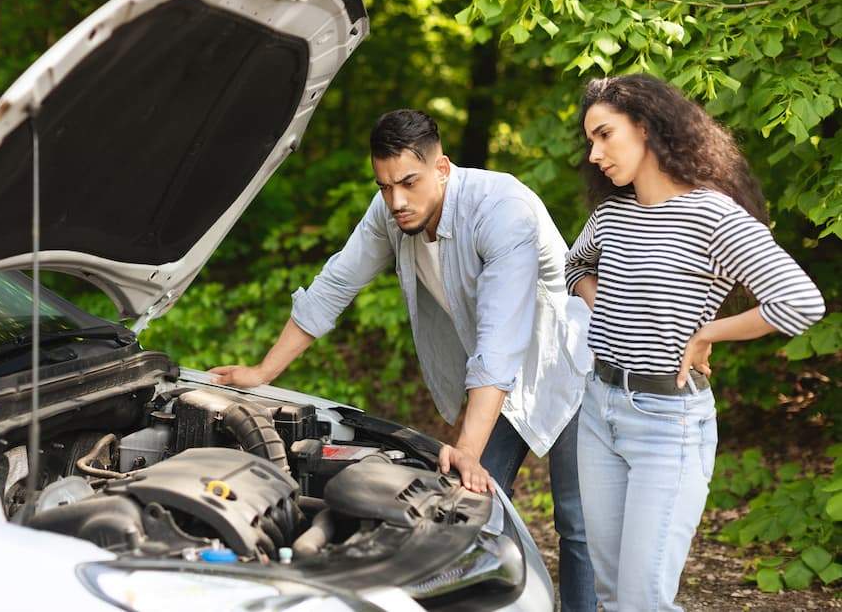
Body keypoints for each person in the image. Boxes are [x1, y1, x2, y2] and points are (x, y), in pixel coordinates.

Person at [210, 109, 597, 610]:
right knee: (463, 505)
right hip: (490, 379)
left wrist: (469, 447)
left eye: (408, 182)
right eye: (384, 185)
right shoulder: (390, 210)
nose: (395, 200)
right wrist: (263, 372)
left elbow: (503, 340)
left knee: (575, 520)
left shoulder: (503, 211)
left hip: (559, 365)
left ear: (442, 168)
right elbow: (334, 286)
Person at [565, 74, 825, 612]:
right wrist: (608, 307)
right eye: (590, 140)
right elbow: (574, 265)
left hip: (667, 424)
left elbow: (800, 302)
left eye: (604, 135)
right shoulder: (611, 212)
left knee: (642, 601)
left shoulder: (713, 215)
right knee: (613, 595)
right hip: (598, 410)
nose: (594, 154)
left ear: (646, 127)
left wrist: (707, 332)